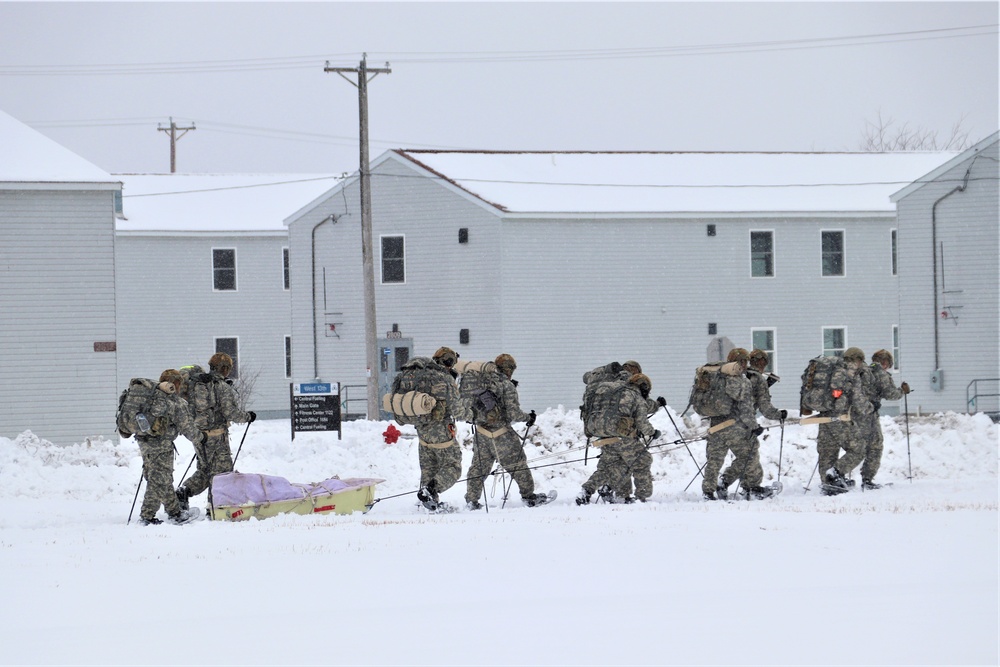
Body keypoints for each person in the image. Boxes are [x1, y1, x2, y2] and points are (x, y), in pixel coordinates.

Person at [464, 354, 550, 509]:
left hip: (481, 433)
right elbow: (513, 414)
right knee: (518, 464)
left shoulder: (481, 382)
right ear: (509, 369)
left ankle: (471, 500)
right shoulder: (506, 385)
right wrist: (528, 417)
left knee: (478, 468)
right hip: (501, 434)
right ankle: (529, 496)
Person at [176, 353, 255, 510]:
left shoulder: (196, 384)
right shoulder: (221, 387)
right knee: (221, 473)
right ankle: (215, 507)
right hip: (216, 436)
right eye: (228, 369)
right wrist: (248, 416)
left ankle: (184, 491)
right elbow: (231, 413)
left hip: (199, 436)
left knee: (205, 470)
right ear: (224, 368)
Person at [404, 346, 472, 511]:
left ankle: (427, 504)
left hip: (422, 431)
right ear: (449, 361)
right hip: (441, 431)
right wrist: (471, 414)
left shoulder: (420, 377)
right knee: (453, 467)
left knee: (429, 468)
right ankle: (430, 491)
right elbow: (457, 410)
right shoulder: (445, 379)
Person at [136, 369, 207, 525]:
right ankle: (147, 516)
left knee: (160, 478)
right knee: (159, 479)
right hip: (161, 445)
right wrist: (202, 437)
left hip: (144, 442)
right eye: (180, 383)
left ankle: (174, 511)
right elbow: (188, 428)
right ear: (175, 383)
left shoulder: (150, 397)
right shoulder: (175, 402)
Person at [577, 373, 660, 504]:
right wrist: (653, 432)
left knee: (607, 468)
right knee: (643, 461)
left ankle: (587, 490)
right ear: (643, 387)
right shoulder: (636, 396)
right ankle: (642, 495)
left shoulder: (617, 392)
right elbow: (642, 423)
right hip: (623, 438)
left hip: (606, 436)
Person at [702, 348, 760, 501]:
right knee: (747, 456)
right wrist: (754, 426)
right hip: (734, 428)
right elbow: (746, 409)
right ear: (742, 362)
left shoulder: (716, 377)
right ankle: (727, 481)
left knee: (714, 461)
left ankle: (708, 492)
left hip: (716, 426)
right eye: (745, 361)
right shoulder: (742, 380)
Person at [818, 347, 875, 495]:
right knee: (859, 448)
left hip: (824, 415)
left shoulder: (831, 369)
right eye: (861, 360)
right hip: (839, 418)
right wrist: (870, 408)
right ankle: (836, 472)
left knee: (827, 452)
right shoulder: (850, 373)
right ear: (856, 359)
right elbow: (858, 399)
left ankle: (828, 483)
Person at [738, 348, 788, 498]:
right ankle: (751, 487)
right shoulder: (758, 379)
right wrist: (779, 415)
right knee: (751, 454)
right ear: (762, 362)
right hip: (746, 422)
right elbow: (765, 408)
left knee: (743, 456)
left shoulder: (741, 375)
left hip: (731, 421)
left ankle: (729, 482)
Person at [858, 349, 910, 490]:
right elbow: (890, 394)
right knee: (875, 445)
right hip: (869, 413)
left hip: (856, 412)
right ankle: (867, 478)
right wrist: (902, 391)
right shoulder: (881, 373)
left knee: (857, 445)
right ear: (885, 362)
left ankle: (841, 474)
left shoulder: (865, 371)